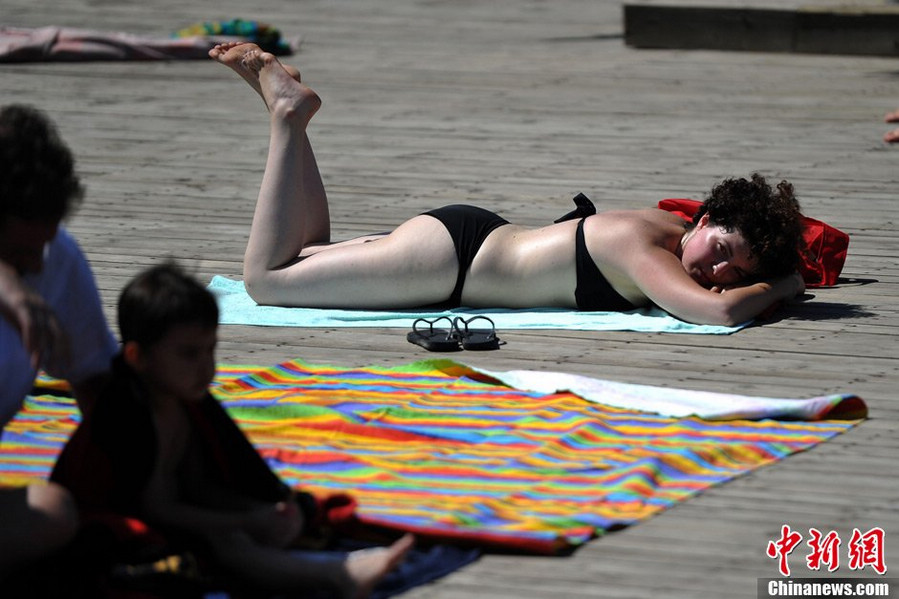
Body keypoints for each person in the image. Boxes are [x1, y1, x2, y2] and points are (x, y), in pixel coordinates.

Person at [209, 42, 805, 327]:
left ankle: (292, 121)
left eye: (736, 271)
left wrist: (764, 273)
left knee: (303, 253)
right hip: (451, 263)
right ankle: (287, 116)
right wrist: (781, 283)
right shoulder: (649, 251)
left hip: (462, 243)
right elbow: (718, 315)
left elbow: (722, 290)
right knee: (267, 281)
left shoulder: (668, 225)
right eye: (722, 249)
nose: (720, 273)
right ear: (702, 221)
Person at [50, 263, 414, 598]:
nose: (206, 367)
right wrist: (243, 518)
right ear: (137, 357)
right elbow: (156, 507)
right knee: (227, 543)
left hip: (170, 515)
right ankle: (337, 576)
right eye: (189, 354)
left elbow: (199, 484)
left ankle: (328, 564)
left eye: (211, 350)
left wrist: (262, 508)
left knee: (265, 521)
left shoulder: (182, 401)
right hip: (106, 529)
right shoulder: (128, 412)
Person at [0, 104, 118, 578]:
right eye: (18, 253)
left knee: (54, 513)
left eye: (39, 251)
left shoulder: (54, 258)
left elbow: (97, 382)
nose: (34, 266)